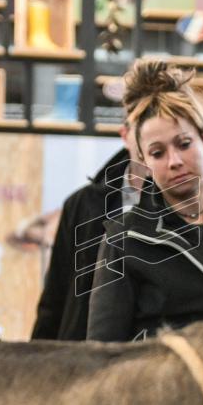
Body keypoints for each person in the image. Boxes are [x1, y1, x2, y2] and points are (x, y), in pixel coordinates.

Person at [86, 60, 203, 342]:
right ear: (144, 161)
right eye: (157, 152)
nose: (174, 161)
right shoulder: (124, 238)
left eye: (184, 144)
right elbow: (102, 350)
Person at [31, 119, 148, 340]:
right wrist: (40, 358)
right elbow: (56, 295)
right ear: (125, 133)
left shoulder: (202, 207)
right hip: (84, 353)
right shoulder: (83, 203)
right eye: (142, 124)